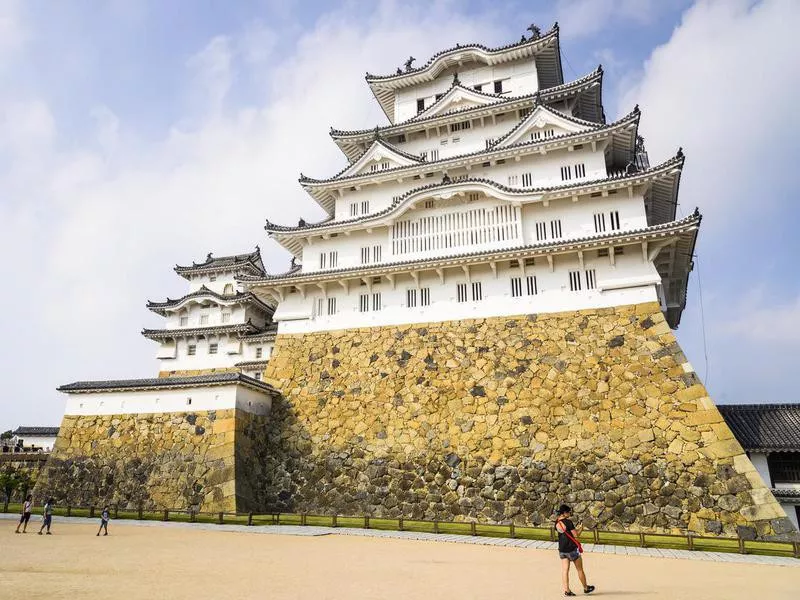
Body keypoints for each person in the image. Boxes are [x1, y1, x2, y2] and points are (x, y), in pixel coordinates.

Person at [555, 504, 594, 596]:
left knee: (565, 570)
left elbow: (564, 533)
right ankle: (586, 588)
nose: (570, 514)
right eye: (569, 512)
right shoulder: (568, 522)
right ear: (564, 513)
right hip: (571, 549)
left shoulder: (556, 522)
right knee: (579, 569)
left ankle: (567, 590)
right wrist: (581, 528)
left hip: (562, 549)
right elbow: (576, 535)